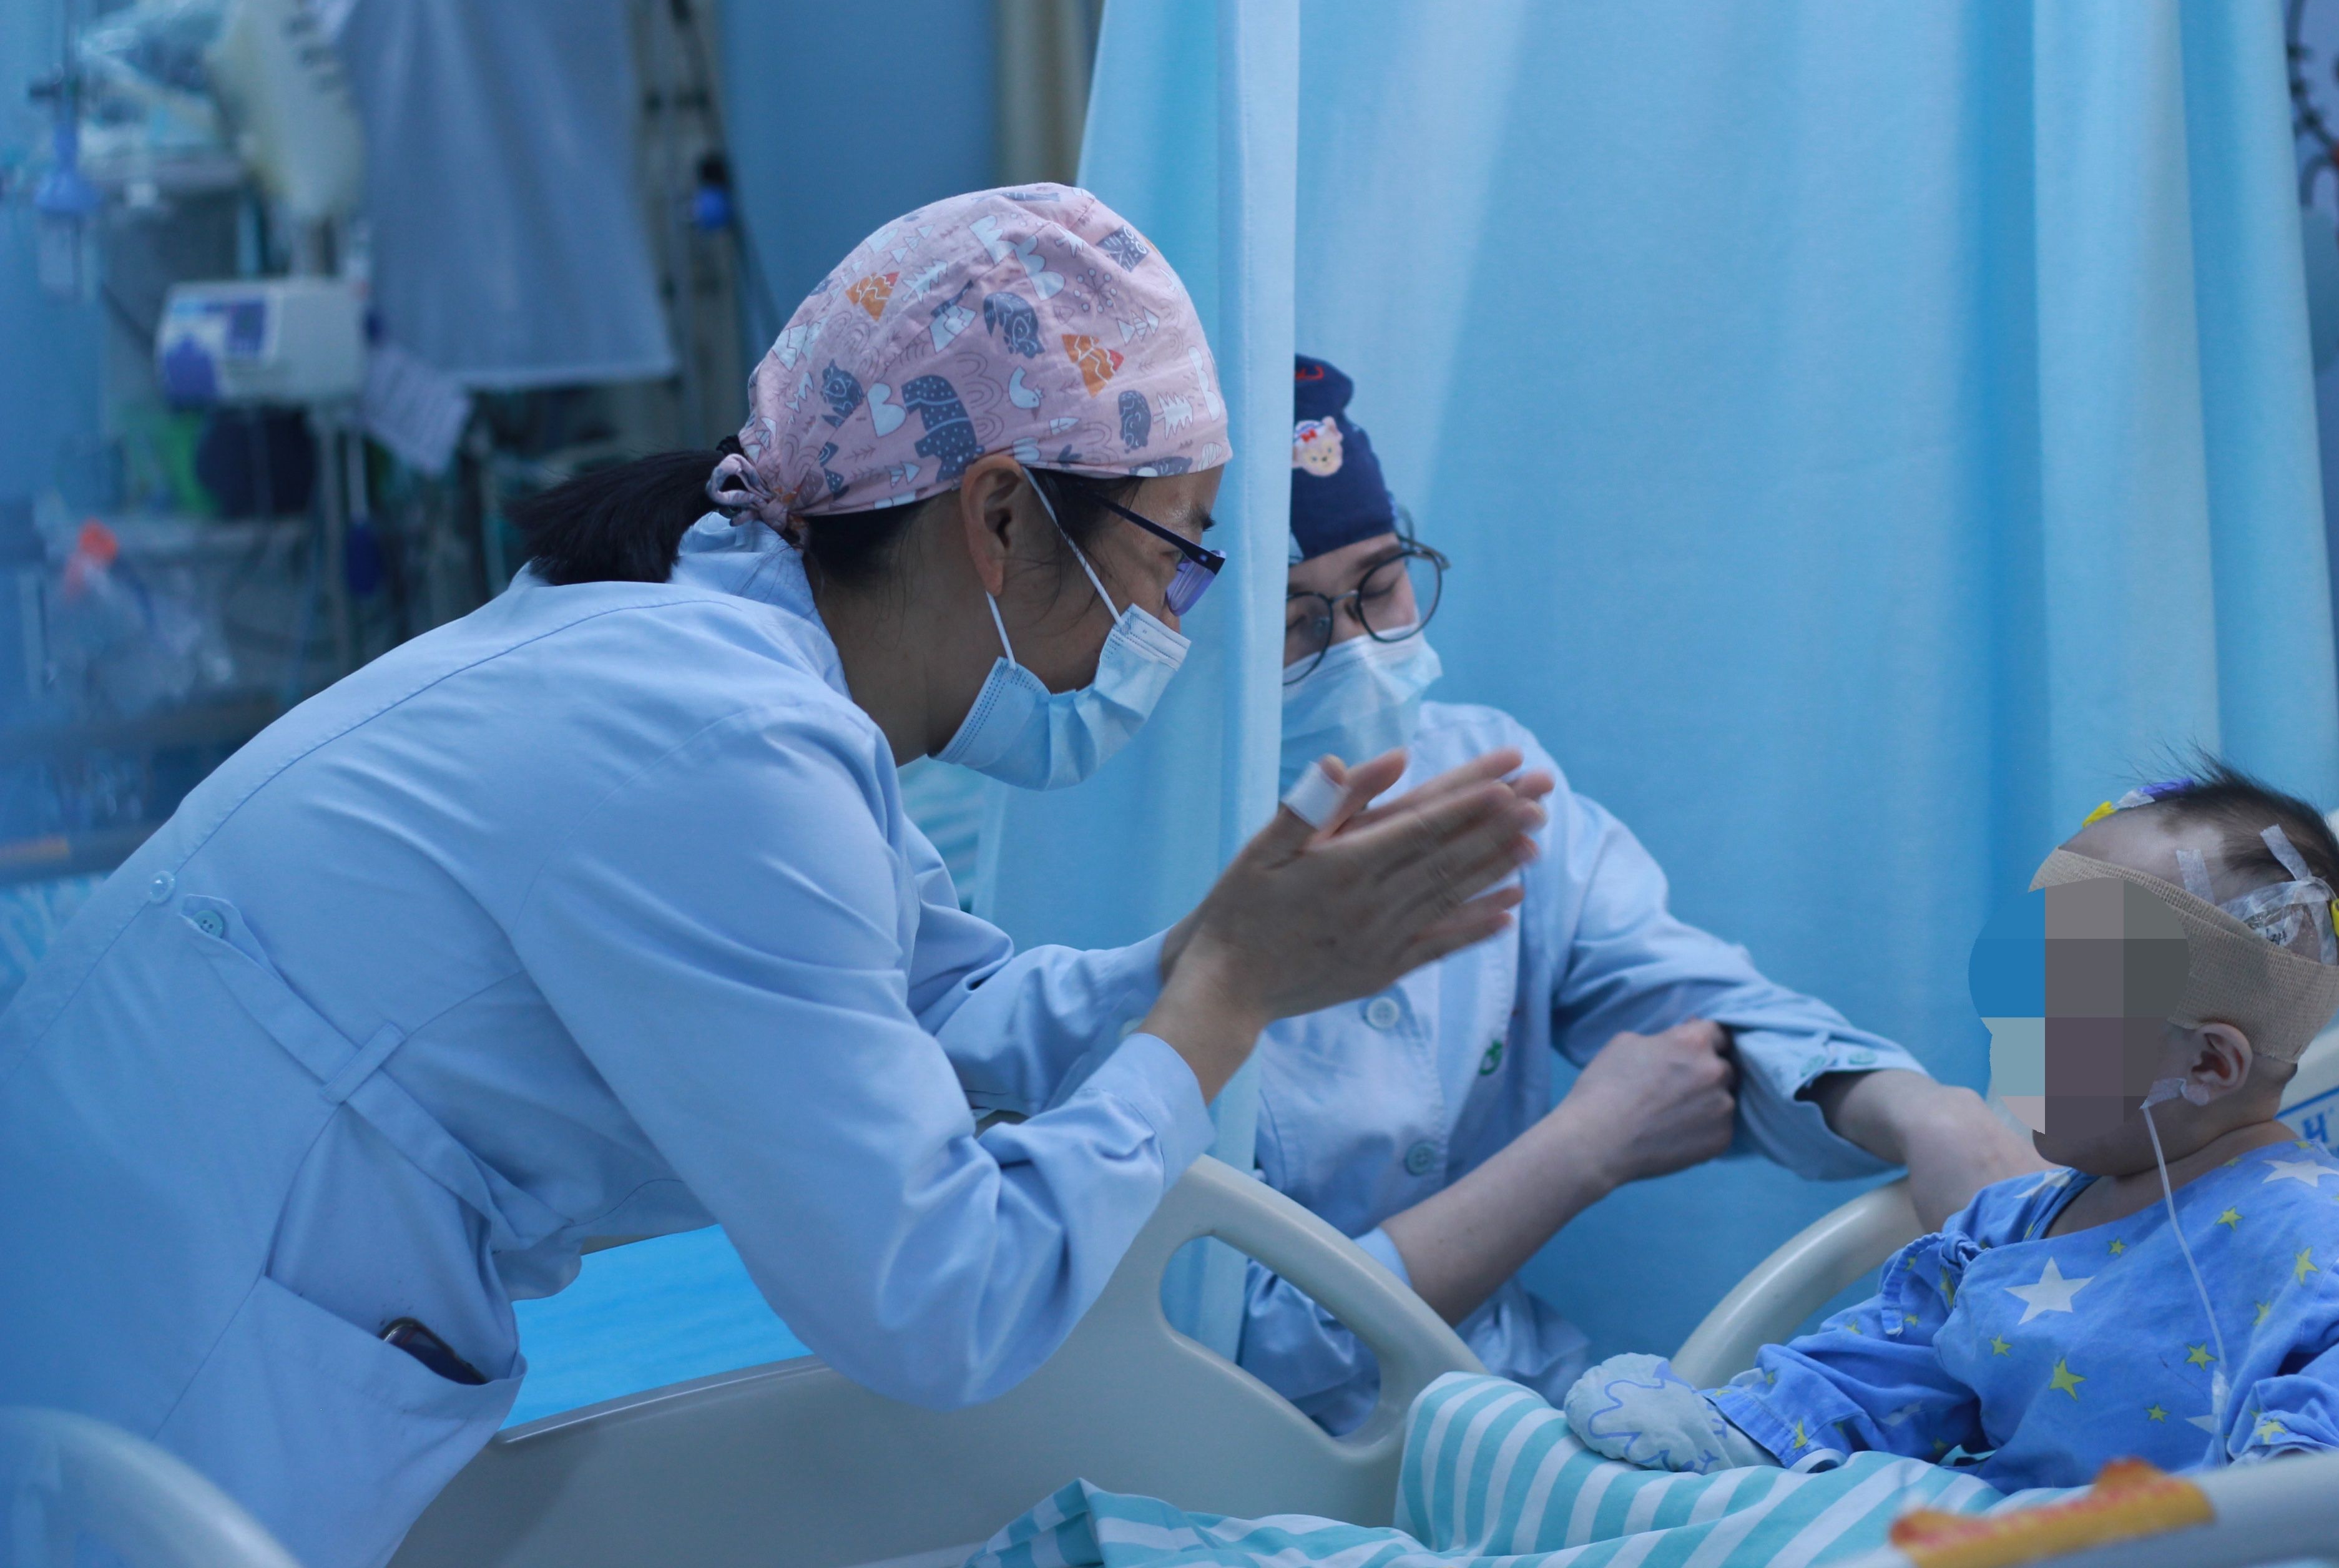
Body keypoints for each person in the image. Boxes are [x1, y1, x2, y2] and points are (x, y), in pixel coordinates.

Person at [0, 190, 1550, 1568]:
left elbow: (944, 1005)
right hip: (178, 1332)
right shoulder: (722, 745)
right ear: (1000, 514)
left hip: (158, 1249)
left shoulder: (735, 661)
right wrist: (1217, 1010)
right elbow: (943, 1302)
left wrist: (1198, 956)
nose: (1169, 625)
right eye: (1176, 557)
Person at [1237, 357, 2043, 1432]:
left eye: (1383, 587)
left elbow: (1697, 1008)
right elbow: (1233, 1342)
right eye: (1297, 622)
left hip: (1507, 1411)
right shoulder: (1129, 881)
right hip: (1250, 1450)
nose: (1361, 655)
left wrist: (1919, 1110)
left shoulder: (1483, 775)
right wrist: (1579, 1152)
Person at [1564, 766, 2339, 1491]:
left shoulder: (2314, 1233)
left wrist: (2285, 1513)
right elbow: (1896, 1367)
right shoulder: (2020, 1220)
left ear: (2210, 1063)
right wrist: (1748, 1427)